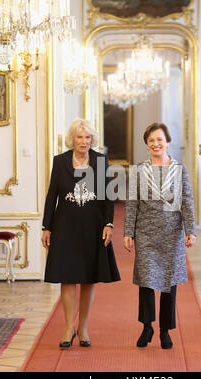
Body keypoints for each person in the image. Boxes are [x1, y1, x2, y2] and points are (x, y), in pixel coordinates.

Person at [42, 117, 120, 349]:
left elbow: (107, 196)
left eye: (87, 137)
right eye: (79, 137)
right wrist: (47, 227)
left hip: (93, 226)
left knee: (88, 278)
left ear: (92, 139)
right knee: (67, 277)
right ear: (72, 139)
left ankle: (83, 327)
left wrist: (109, 224)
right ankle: (68, 327)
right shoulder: (60, 161)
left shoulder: (100, 161)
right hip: (65, 226)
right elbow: (51, 197)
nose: (84, 141)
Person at [123, 122, 196, 349]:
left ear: (168, 142)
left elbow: (187, 201)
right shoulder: (139, 170)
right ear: (147, 143)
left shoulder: (179, 169)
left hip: (171, 233)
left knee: (168, 283)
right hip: (145, 233)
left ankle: (165, 330)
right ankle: (147, 327)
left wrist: (190, 230)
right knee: (146, 282)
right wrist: (128, 232)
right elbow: (132, 203)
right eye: (151, 140)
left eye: (160, 140)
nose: (156, 144)